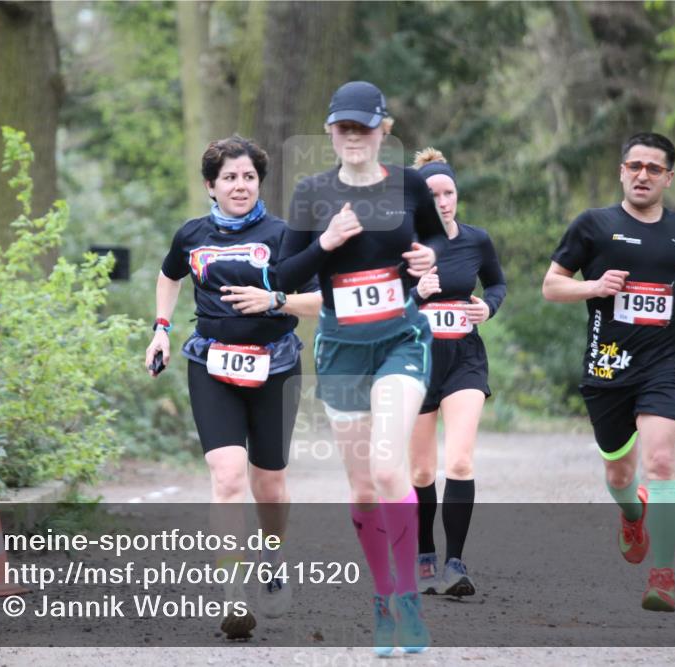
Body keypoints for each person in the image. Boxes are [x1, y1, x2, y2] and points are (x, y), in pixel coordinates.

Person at [275, 81, 444, 655]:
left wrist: (428, 260)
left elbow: (434, 247)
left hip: (401, 339)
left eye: (364, 126)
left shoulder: (410, 185)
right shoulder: (311, 193)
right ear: (330, 132)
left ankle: (408, 603)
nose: (353, 136)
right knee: (364, 485)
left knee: (389, 467)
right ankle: (383, 599)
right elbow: (284, 278)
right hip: (342, 349)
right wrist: (326, 242)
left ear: (384, 129)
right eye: (343, 127)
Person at [145, 135, 322, 637]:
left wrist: (274, 300)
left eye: (248, 177)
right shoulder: (191, 235)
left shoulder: (285, 235)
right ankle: (233, 595)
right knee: (226, 477)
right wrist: (161, 327)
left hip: (276, 366)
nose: (240, 185)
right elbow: (168, 276)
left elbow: (321, 301)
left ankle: (272, 557)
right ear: (211, 185)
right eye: (229, 178)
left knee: (269, 483)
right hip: (211, 363)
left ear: (258, 182)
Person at [541, 132, 675, 612]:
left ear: (668, 178)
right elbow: (551, 286)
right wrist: (594, 286)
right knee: (619, 472)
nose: (643, 175)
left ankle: (663, 576)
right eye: (634, 166)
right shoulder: (593, 225)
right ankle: (631, 513)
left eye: (653, 169)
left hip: (666, 364)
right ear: (622, 171)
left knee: (659, 463)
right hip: (608, 366)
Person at [408, 148, 506, 597]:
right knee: (422, 472)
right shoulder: (403, 245)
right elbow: (379, 305)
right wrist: (415, 293)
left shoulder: (476, 240)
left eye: (449, 193)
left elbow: (497, 282)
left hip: (465, 358)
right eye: (434, 194)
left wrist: (490, 305)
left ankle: (455, 564)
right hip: (414, 361)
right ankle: (425, 552)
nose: (443, 201)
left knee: (460, 460)